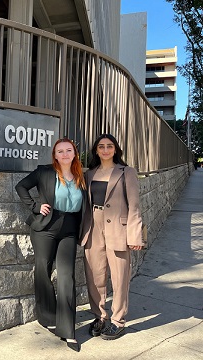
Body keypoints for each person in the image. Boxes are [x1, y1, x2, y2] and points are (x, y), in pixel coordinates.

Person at [15, 138, 86, 352]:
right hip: (45, 227)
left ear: (75, 153)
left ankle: (68, 330)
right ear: (55, 155)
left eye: (69, 150)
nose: (64, 154)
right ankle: (47, 316)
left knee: (66, 275)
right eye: (60, 151)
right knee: (43, 270)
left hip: (70, 228)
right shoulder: (45, 172)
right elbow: (21, 187)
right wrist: (35, 206)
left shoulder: (82, 176)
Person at [79, 133, 145, 340]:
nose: (105, 150)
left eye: (109, 146)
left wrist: (134, 235)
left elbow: (134, 206)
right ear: (96, 150)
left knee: (119, 277)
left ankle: (118, 320)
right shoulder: (90, 174)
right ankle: (100, 316)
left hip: (118, 228)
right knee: (95, 276)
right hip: (94, 228)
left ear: (115, 149)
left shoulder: (127, 172)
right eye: (101, 146)